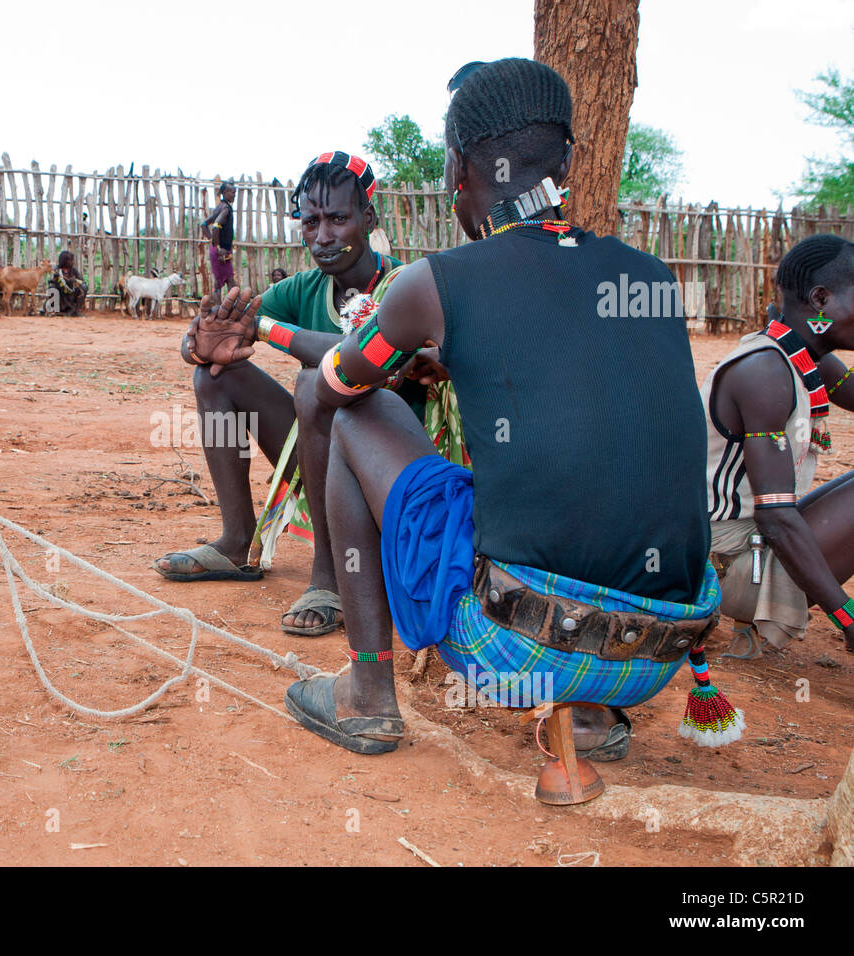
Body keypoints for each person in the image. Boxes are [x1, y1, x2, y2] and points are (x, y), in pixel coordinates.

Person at [192, 59, 728, 760]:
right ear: (566, 162)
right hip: (657, 653)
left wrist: (286, 341)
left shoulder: (432, 284)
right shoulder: (651, 276)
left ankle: (366, 693)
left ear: (455, 170)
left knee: (358, 417)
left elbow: (334, 389)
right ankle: (589, 718)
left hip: (517, 647)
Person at [155, 152, 465, 638]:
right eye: (310, 220)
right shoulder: (305, 288)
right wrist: (200, 344)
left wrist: (265, 330)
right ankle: (237, 541)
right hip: (324, 464)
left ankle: (331, 577)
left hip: (391, 481)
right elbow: (223, 333)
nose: (322, 236)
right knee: (216, 378)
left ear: (369, 218)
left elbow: (363, 354)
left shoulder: (404, 286)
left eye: (338, 219)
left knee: (315, 383)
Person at [702, 234, 854, 659]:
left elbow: (849, 388)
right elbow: (775, 518)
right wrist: (846, 617)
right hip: (722, 563)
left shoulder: (803, 355)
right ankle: (752, 611)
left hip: (746, 541)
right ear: (821, 298)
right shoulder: (765, 372)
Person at [202, 181, 237, 294]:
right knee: (230, 281)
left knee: (221, 281)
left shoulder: (220, 207)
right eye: (232, 192)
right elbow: (216, 226)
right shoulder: (226, 209)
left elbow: (204, 225)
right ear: (225, 192)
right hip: (222, 251)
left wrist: (213, 243)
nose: (234, 195)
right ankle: (232, 308)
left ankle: (220, 307)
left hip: (219, 250)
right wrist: (218, 247)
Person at [48, 250, 87, 316]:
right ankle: (56, 310)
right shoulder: (57, 270)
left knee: (84, 287)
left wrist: (74, 281)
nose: (72, 262)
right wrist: (55, 279)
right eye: (71, 260)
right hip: (61, 296)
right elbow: (51, 281)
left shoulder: (73, 270)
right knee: (51, 288)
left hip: (71, 295)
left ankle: (76, 311)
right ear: (65, 261)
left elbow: (82, 281)